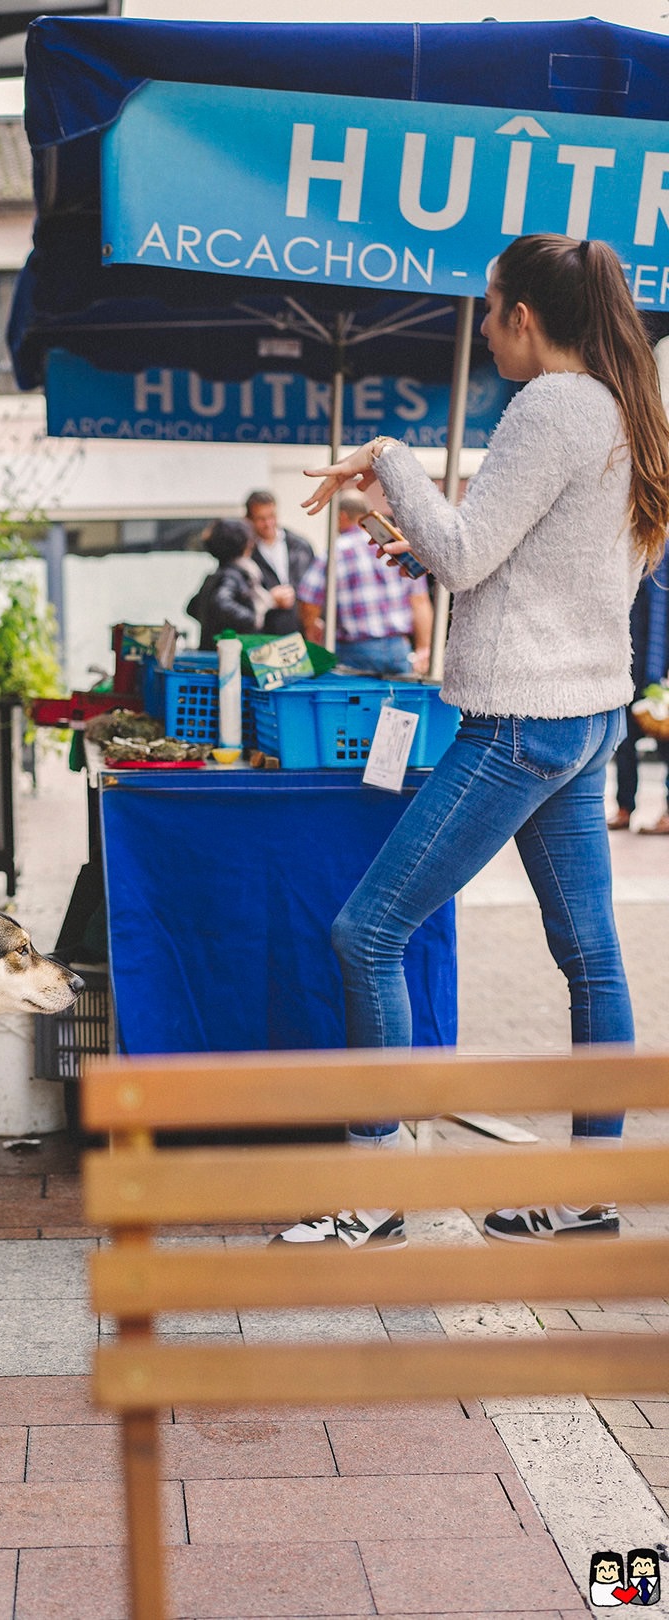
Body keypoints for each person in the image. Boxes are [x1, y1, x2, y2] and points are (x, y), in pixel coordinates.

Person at [275, 233, 669, 1251]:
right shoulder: (624, 409)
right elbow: (536, 563)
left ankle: (374, 1189)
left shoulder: (551, 407)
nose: (486, 327)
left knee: (367, 932)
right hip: (585, 719)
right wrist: (417, 533)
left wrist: (387, 457)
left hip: (520, 724)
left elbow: (464, 554)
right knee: (590, 956)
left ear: (526, 318)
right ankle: (591, 1187)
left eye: (490, 311)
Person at [296, 490, 432, 675]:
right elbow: (420, 602)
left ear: (341, 516)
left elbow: (308, 599)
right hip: (399, 647)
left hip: (355, 651)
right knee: (399, 703)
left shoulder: (335, 552)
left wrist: (312, 627)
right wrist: (424, 648)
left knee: (358, 703)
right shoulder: (395, 547)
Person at [607, 554, 669, 833]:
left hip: (659, 667)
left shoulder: (663, 552)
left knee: (666, 742)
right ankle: (624, 807)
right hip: (631, 662)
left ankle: (667, 812)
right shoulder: (637, 548)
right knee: (624, 739)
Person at [188, 519, 281, 651]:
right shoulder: (232, 576)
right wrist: (252, 618)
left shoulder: (216, 575)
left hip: (212, 651)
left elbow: (192, 607)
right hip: (226, 656)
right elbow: (221, 603)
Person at [244, 489, 315, 634]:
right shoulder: (246, 553)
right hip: (264, 634)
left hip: (301, 631)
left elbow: (316, 586)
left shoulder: (300, 546)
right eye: (260, 519)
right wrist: (269, 598)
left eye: (271, 516)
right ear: (249, 519)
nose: (268, 523)